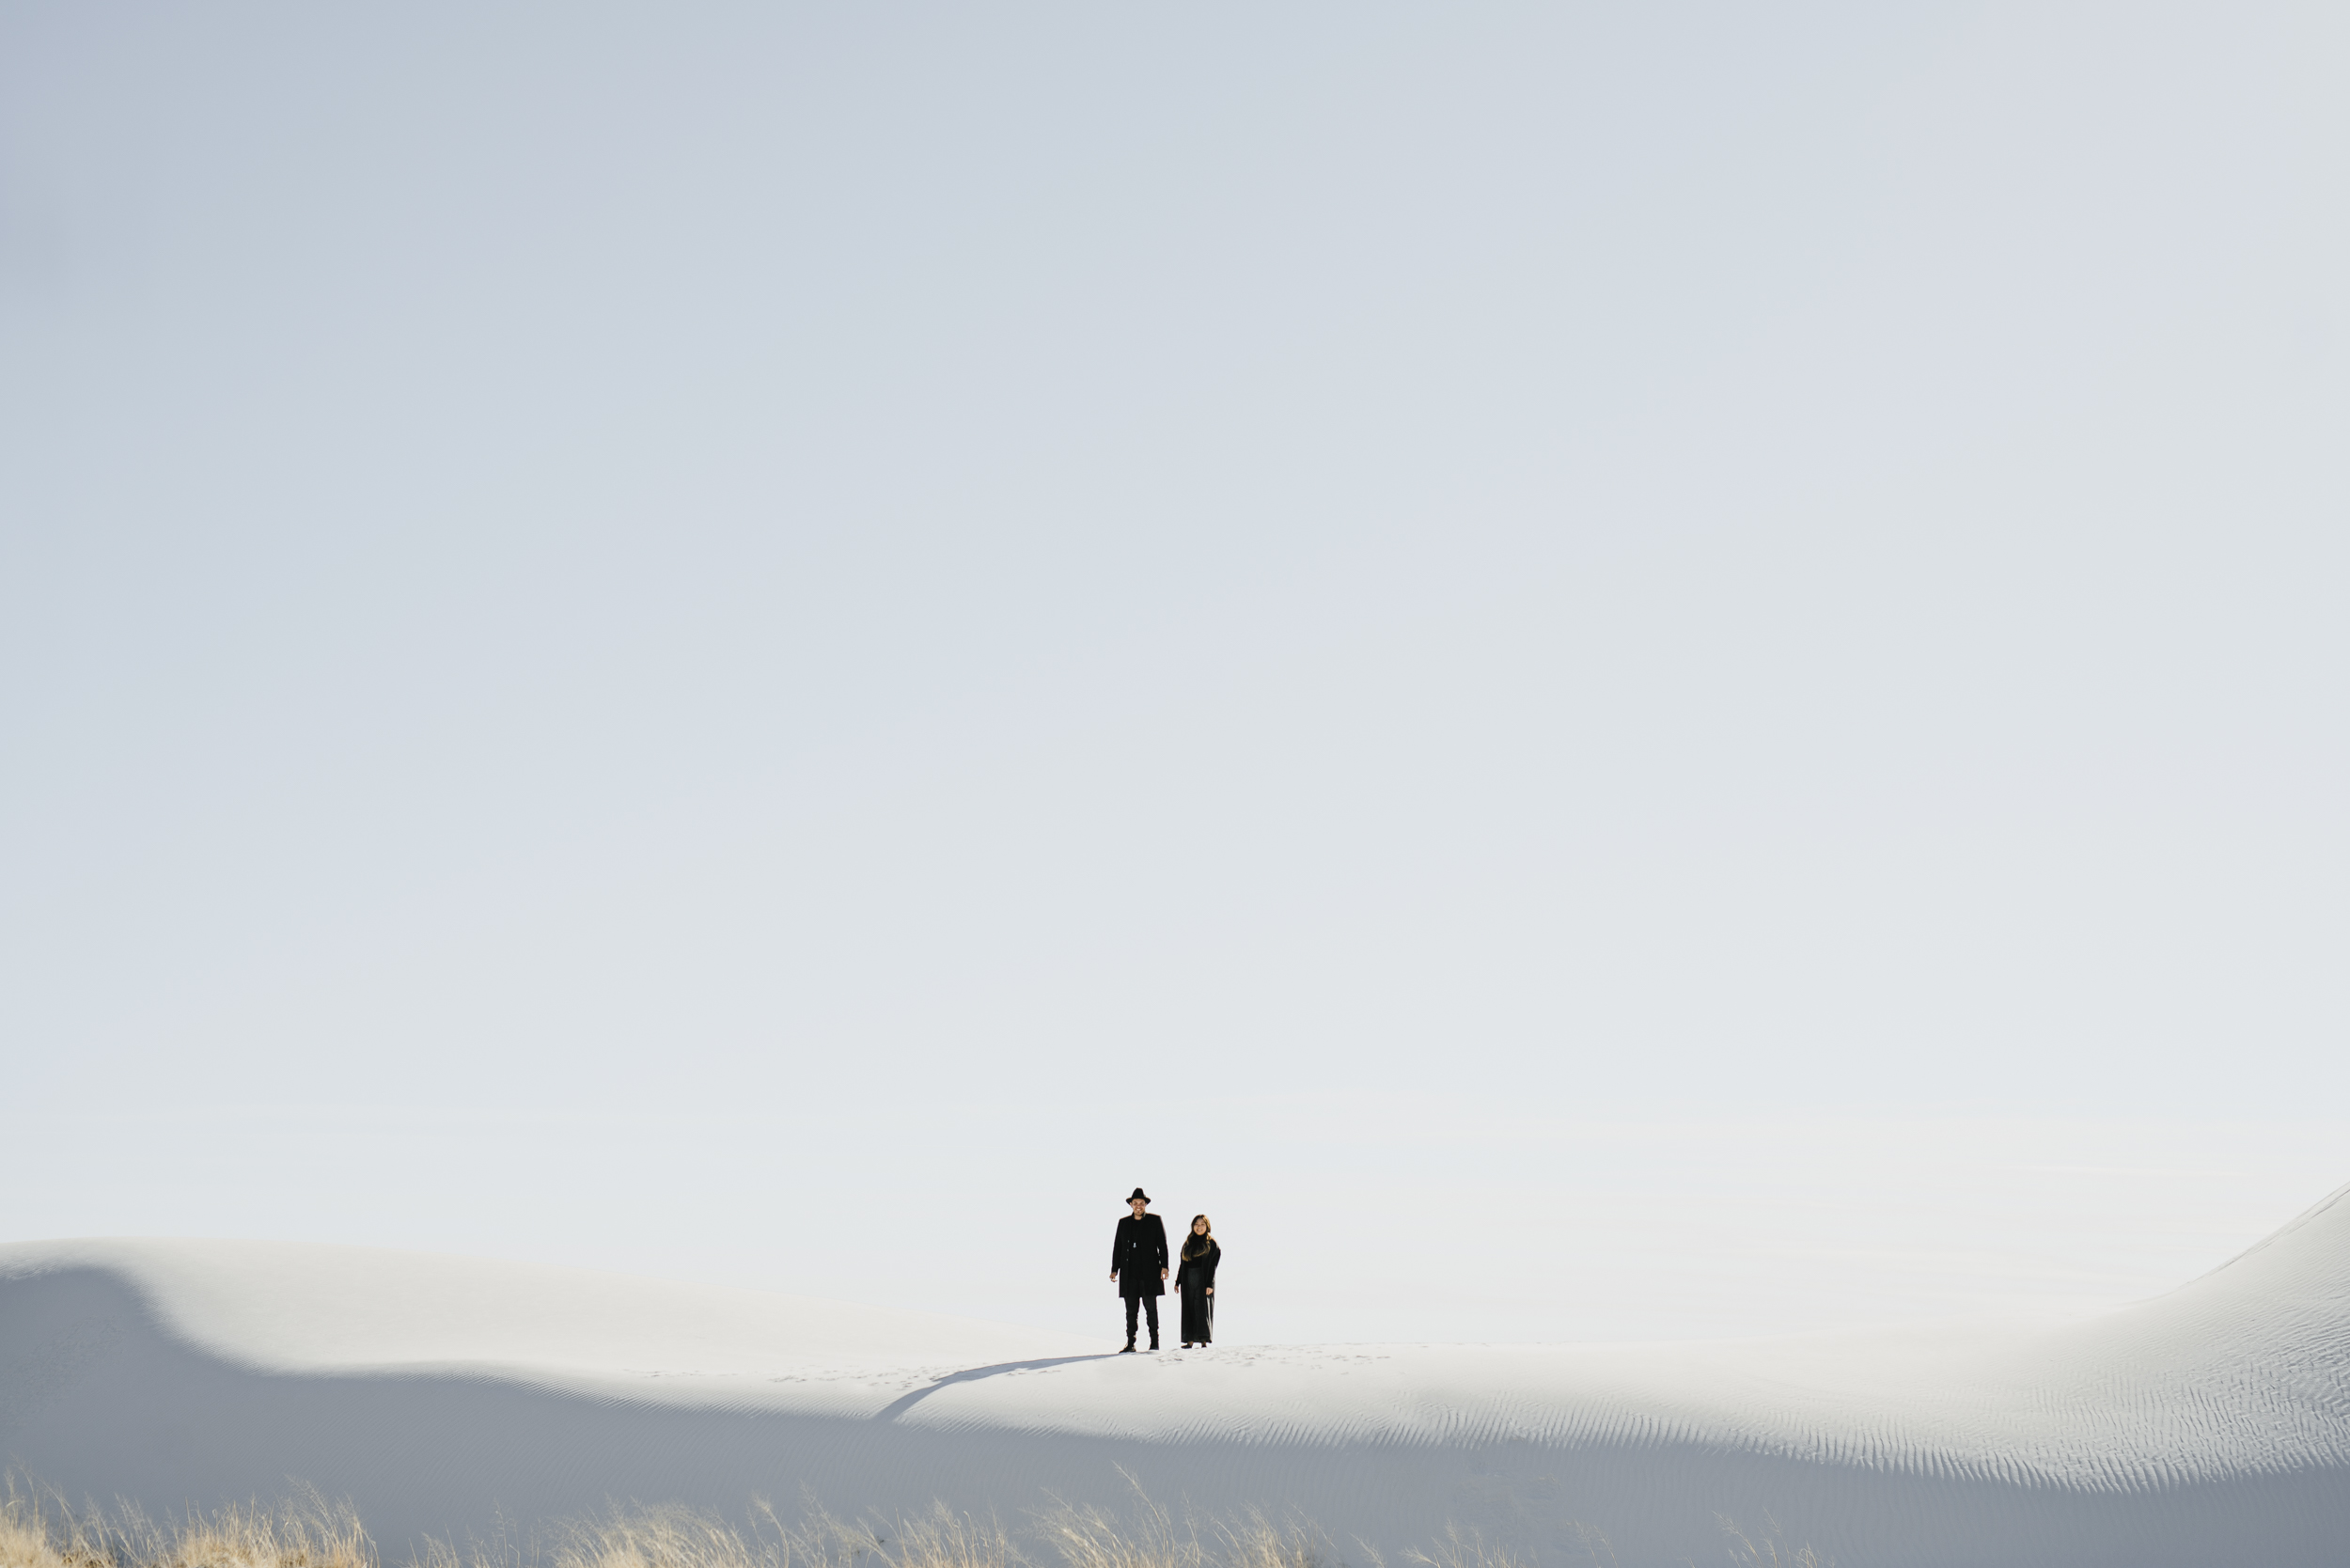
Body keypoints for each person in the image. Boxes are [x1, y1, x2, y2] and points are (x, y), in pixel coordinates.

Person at [1109, 1187, 1168, 1352]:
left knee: (1151, 1308)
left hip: (1149, 1273)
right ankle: (1130, 1343)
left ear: (1145, 1205)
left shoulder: (1155, 1221)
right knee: (1131, 1311)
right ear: (1130, 1205)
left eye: (1141, 1203)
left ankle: (1154, 1343)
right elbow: (1118, 1247)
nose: (1138, 1206)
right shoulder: (1123, 1223)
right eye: (1135, 1203)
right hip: (1129, 1274)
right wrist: (1115, 1269)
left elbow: (1162, 1245)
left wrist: (1165, 1266)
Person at [1175, 1214, 1218, 1348]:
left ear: (1207, 1226)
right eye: (1196, 1224)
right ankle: (1189, 1340)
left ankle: (1204, 1341)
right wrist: (1178, 1281)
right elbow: (1183, 1263)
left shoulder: (1211, 1243)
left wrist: (1209, 1284)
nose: (1199, 1227)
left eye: (1202, 1224)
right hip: (1188, 1279)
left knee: (1202, 1309)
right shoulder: (1188, 1243)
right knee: (1189, 1308)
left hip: (1203, 1280)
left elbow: (1213, 1266)